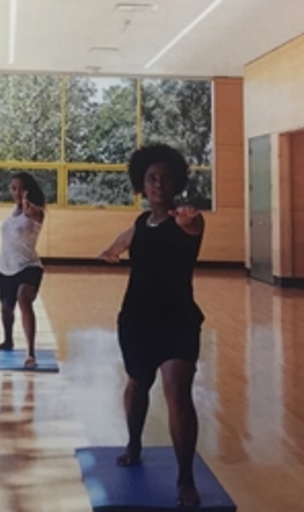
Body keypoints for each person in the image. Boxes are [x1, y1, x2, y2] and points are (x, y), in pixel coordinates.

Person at [99, 144, 205, 507]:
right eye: (152, 178)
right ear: (142, 185)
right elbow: (124, 240)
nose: (159, 183)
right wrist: (109, 252)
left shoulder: (186, 220)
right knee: (137, 384)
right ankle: (134, 443)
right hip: (137, 320)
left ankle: (186, 479)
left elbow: (192, 223)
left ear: (176, 183)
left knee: (177, 392)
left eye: (165, 178)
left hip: (177, 319)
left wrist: (190, 216)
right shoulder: (142, 222)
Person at [0, 172, 46, 368]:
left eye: (21, 188)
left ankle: (30, 353)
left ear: (29, 190)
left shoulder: (35, 211)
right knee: (6, 309)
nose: (17, 192)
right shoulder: (13, 212)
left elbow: (35, 215)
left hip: (29, 266)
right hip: (6, 268)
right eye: (14, 188)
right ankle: (8, 341)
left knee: (24, 299)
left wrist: (28, 207)